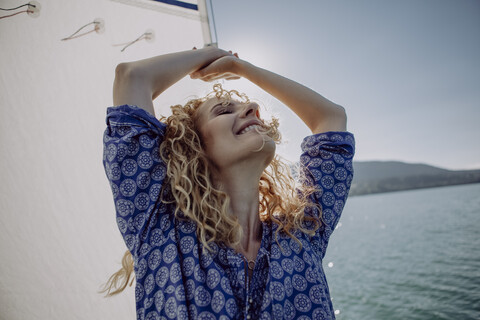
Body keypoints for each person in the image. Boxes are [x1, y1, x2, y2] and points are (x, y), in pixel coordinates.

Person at [101, 46, 355, 320]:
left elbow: (332, 117)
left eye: (251, 108)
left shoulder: (302, 233)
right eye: (223, 111)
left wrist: (241, 68)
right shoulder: (159, 228)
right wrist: (211, 54)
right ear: (193, 147)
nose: (254, 108)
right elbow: (132, 76)